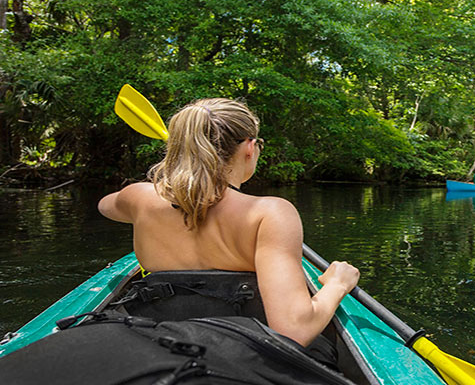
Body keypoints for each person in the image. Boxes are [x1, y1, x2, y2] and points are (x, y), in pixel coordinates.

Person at [98, 98, 359, 349]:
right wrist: (338, 284)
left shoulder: (139, 198)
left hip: (159, 343)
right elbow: (294, 331)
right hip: (244, 352)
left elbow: (105, 207)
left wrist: (167, 186)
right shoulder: (269, 214)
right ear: (249, 147)